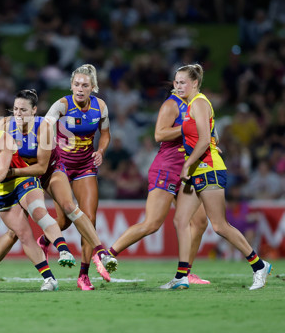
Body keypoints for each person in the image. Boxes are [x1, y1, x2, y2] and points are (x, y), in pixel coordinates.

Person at [0, 90, 117, 291]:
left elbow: (40, 168)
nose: (19, 114)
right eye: (16, 109)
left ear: (34, 110)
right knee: (15, 232)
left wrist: (8, 172)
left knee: (68, 206)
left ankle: (102, 252)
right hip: (20, 176)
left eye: (24, 110)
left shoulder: (44, 128)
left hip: (49, 171)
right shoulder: (4, 125)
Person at [160, 64, 271, 290]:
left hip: (208, 168)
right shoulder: (193, 104)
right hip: (197, 170)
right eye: (176, 82)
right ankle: (182, 276)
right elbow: (211, 137)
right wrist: (209, 145)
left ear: (195, 83)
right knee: (181, 220)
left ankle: (259, 266)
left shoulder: (199, 102)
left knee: (220, 226)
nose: (178, 86)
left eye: (183, 82)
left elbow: (203, 140)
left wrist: (187, 164)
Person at [0, 107, 75, 291]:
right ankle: (49, 280)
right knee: (22, 234)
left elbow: (2, 173)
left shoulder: (4, 139)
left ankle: (63, 250)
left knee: (38, 211)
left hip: (21, 180)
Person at [107, 88, 211, 285]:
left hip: (184, 171)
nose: (182, 86)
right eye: (178, 82)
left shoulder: (196, 106)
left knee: (200, 222)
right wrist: (186, 128)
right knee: (152, 224)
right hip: (167, 170)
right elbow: (159, 134)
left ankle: (185, 273)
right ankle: (107, 255)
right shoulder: (172, 104)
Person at [43, 64, 111, 290]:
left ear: (93, 87)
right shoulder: (62, 105)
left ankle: (83, 275)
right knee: (63, 221)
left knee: (89, 219)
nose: (79, 89)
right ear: (71, 85)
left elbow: (105, 134)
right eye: (76, 84)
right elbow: (44, 128)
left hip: (85, 166)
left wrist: (100, 151)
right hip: (60, 165)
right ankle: (45, 240)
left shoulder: (100, 106)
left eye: (85, 85)